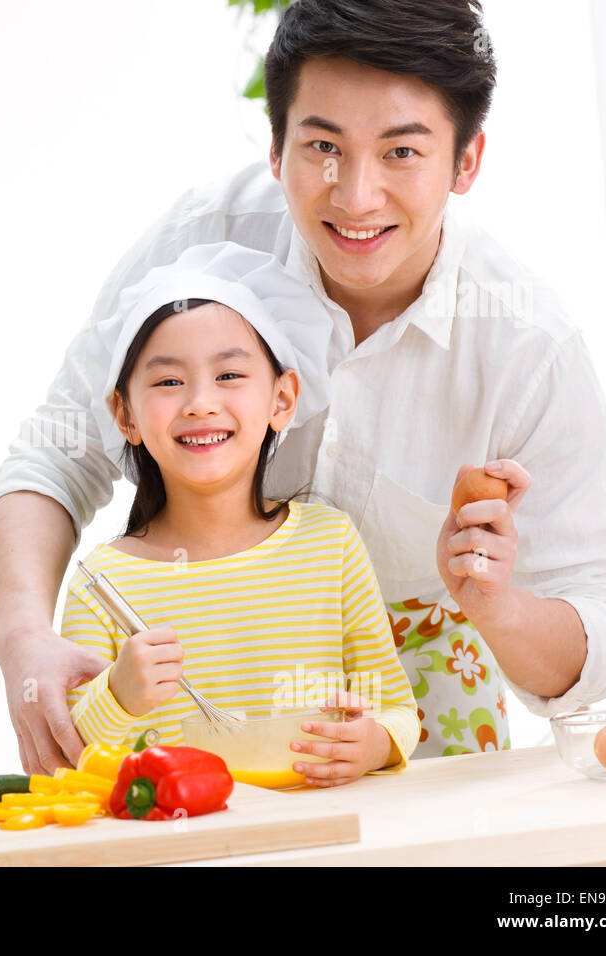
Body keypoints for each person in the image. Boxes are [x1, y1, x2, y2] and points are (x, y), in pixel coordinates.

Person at [0, 0, 606, 773]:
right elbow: (56, 456)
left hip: (425, 739)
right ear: (275, 146)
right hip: (201, 720)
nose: (355, 197)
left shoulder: (529, 343)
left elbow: (595, 633)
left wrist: (499, 606)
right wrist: (24, 640)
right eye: (323, 146)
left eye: (401, 153)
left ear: (467, 161)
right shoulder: (202, 241)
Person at [62, 243, 419, 787]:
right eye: (167, 381)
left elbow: (393, 707)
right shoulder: (101, 584)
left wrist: (375, 743)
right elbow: (78, 759)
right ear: (125, 415)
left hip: (328, 840)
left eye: (229, 375)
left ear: (282, 399)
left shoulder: (331, 545)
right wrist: (117, 695)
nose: (200, 402)